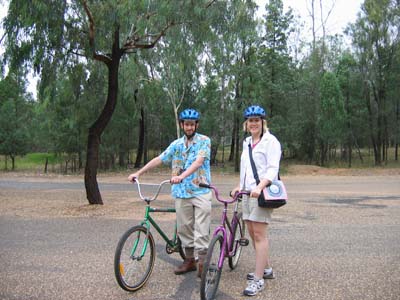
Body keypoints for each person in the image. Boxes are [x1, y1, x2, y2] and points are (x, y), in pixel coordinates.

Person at [128, 108, 212, 277]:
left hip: (200, 190)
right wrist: (139, 173)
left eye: (192, 124)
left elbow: (198, 162)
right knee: (184, 228)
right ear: (182, 125)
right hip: (181, 192)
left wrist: (181, 176)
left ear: (196, 125)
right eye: (186, 124)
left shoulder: (204, 140)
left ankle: (202, 261)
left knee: (202, 227)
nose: (189, 127)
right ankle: (189, 260)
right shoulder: (176, 144)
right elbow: (160, 158)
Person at [231, 105, 282, 297]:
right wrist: (239, 185)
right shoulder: (246, 142)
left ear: (263, 122)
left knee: (259, 234)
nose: (253, 123)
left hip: (262, 193)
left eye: (257, 120)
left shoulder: (271, 142)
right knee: (252, 232)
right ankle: (266, 269)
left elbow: (272, 169)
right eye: (250, 120)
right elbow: (246, 169)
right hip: (247, 193)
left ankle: (258, 280)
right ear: (246, 123)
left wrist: (260, 187)